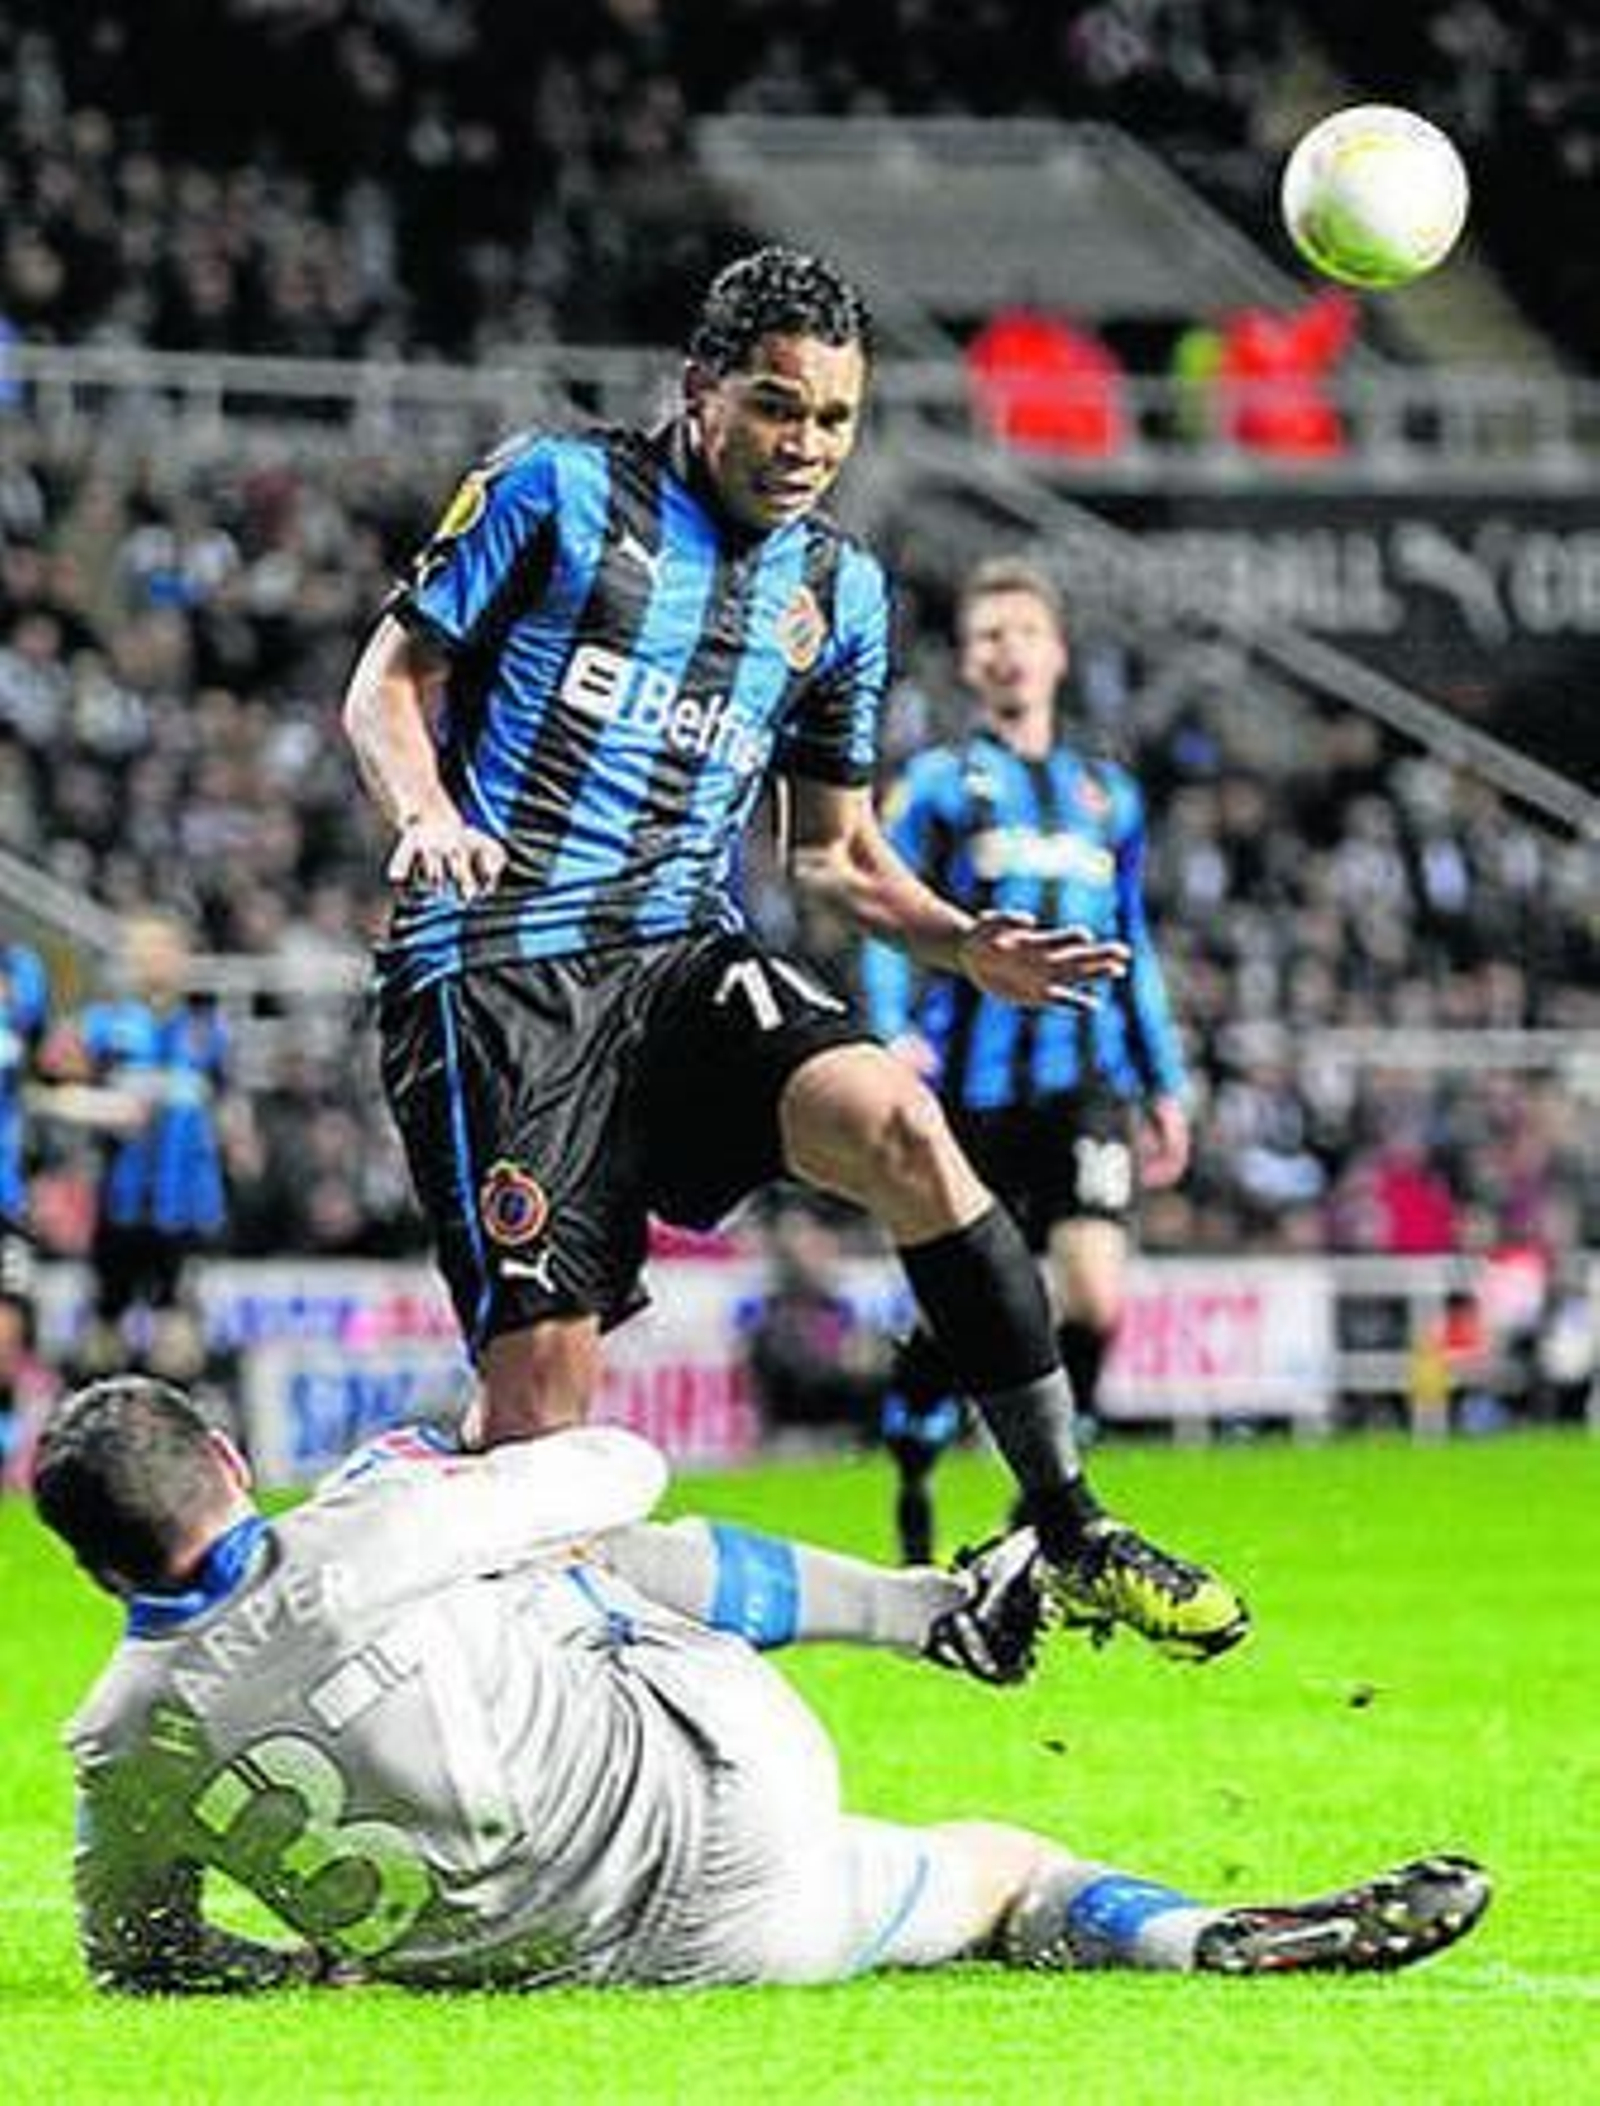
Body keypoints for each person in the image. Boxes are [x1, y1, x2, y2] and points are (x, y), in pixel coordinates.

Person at [341, 243, 1245, 1662]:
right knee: (540, 1437)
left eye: (833, 418)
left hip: (684, 955)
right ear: (700, 387)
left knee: (900, 1119)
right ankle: (390, 1533)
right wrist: (429, 814)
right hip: (500, 973)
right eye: (775, 407)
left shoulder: (839, 590)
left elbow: (831, 848)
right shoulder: (557, 489)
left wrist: (960, 943)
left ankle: (1066, 1525)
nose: (806, 445)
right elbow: (389, 683)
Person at [34, 1375, 1489, 1994]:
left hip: (587, 1963)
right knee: (561, 1548)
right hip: (731, 1827)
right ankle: (947, 1635)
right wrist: (442, 1464)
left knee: (979, 1881)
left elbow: (138, 1957)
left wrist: (306, 1968)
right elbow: (627, 1463)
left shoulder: (112, 1741)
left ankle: (1176, 1919)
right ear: (229, 1461)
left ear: (95, 1569)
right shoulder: (380, 1523)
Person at [861, 560, 1191, 1563]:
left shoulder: (1107, 796)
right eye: (987, 636)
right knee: (964, 1311)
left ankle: (1044, 1503)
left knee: (1094, 1296)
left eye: (1023, 632)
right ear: (967, 663)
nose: (1007, 651)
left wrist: (1164, 1079)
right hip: (969, 1089)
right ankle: (915, 1459)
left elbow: (1130, 943)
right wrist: (890, 1026)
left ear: (1055, 652)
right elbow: (877, 911)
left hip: (1083, 1086)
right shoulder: (936, 784)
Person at [49, 910, 229, 1380]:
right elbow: (50, 1092)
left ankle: (173, 1433)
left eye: (164, 950)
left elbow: (224, 1107)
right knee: (102, 1341)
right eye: (143, 950)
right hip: (120, 1203)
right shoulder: (103, 1026)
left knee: (178, 1342)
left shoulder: (206, 1032)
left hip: (183, 1208)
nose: (154, 962)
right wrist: (101, 1108)